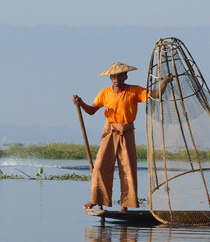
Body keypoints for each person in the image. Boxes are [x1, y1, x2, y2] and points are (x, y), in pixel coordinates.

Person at [73, 61, 172, 212]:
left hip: (126, 132)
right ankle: (96, 199)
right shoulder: (105, 93)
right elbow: (92, 110)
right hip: (110, 131)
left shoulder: (134, 91)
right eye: (114, 77)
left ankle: (125, 204)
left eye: (120, 76)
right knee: (99, 167)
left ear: (125, 77)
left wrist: (164, 81)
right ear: (111, 78)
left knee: (127, 169)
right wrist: (81, 103)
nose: (117, 80)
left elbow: (156, 95)